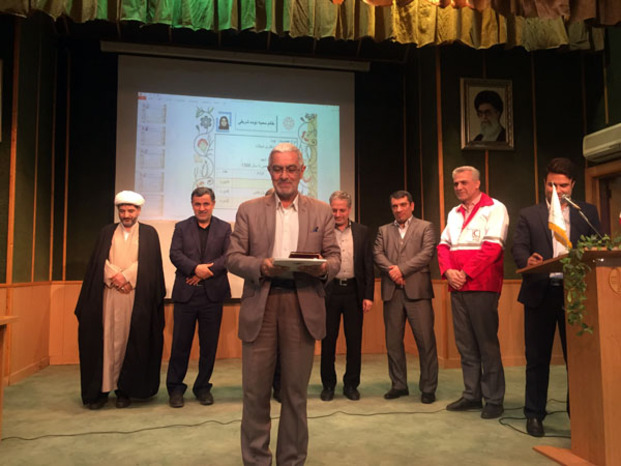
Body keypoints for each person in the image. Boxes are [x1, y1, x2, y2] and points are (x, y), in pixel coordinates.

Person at [226, 142, 340, 465]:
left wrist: (323, 268)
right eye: (278, 169)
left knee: (295, 393)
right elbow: (233, 257)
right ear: (269, 171)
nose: (284, 175)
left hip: (301, 306)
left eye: (291, 169)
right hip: (261, 302)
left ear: (302, 171)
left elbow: (335, 258)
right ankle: (256, 459)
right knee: (255, 392)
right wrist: (260, 266)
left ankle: (291, 460)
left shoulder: (321, 211)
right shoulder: (248, 210)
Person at [512, 157, 601, 437]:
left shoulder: (586, 212)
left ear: (572, 185)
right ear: (544, 184)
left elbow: (599, 244)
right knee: (537, 359)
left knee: (578, 360)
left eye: (563, 185)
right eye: (552, 185)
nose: (557, 190)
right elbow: (518, 247)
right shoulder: (529, 214)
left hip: (576, 296)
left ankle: (580, 415)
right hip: (540, 293)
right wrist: (528, 259)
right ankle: (534, 414)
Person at [75, 190, 165, 410]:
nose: (126, 215)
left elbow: (150, 264)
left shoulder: (149, 234)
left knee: (129, 342)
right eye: (122, 210)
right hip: (109, 295)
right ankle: (103, 389)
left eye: (130, 210)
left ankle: (125, 390)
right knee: (106, 341)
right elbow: (98, 262)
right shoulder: (106, 232)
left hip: (135, 298)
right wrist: (114, 277)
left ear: (139, 211)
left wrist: (127, 277)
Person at [437, 167, 509, 419]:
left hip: (482, 285)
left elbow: (492, 248)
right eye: (455, 183)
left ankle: (494, 399)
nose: (458, 187)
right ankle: (472, 395)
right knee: (465, 344)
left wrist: (465, 273)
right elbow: (443, 246)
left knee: (486, 344)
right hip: (457, 286)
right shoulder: (453, 213)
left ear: (477, 183)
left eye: (464, 182)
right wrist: (448, 271)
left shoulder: (495, 208)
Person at [167, 187, 231, 408]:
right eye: (197, 204)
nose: (202, 208)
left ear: (213, 204)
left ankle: (202, 387)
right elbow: (175, 254)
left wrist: (206, 272)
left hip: (212, 296)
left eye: (206, 204)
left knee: (208, 347)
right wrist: (195, 269)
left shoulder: (225, 228)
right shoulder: (181, 227)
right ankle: (175, 388)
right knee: (180, 345)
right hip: (186, 294)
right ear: (192, 205)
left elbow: (229, 256)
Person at [373, 190, 439, 404]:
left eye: (402, 205)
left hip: (418, 292)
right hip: (392, 292)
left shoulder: (425, 227)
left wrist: (400, 270)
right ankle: (398, 385)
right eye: (395, 206)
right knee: (393, 343)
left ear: (412, 205)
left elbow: (426, 254)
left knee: (426, 342)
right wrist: (393, 272)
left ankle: (428, 388)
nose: (398, 209)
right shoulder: (383, 230)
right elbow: (377, 254)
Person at [320, 190, 374, 402]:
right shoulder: (323, 231)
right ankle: (328, 385)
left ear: (349, 209)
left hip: (354, 292)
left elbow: (368, 265)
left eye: (342, 210)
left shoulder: (362, 231)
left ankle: (351, 385)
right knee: (328, 342)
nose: (337, 214)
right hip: (329, 292)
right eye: (334, 210)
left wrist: (368, 295)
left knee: (354, 341)